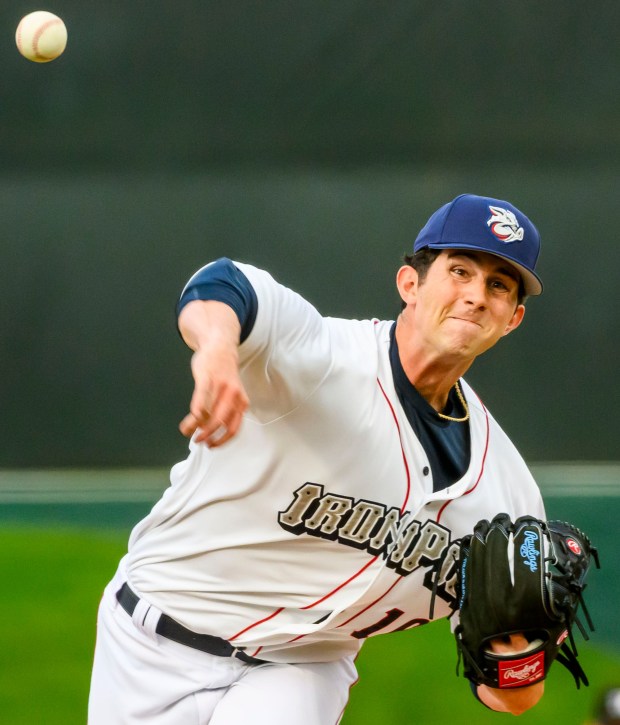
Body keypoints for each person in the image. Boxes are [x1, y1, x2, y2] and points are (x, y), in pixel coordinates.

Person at [89, 193, 548, 723]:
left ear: (512, 318)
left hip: (302, 667)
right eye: (460, 271)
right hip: (151, 640)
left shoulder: (506, 495)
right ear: (410, 285)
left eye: (497, 285)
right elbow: (223, 283)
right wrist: (215, 348)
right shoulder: (324, 356)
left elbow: (513, 698)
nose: (475, 295)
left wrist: (516, 659)